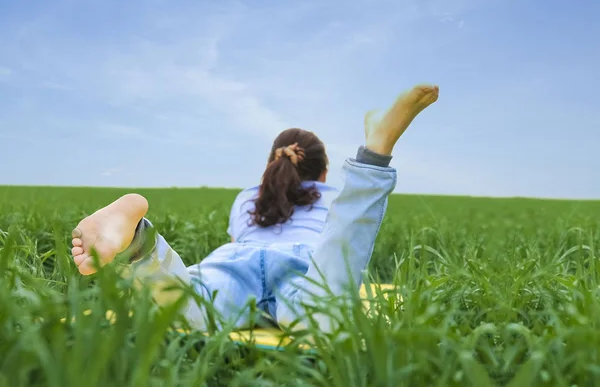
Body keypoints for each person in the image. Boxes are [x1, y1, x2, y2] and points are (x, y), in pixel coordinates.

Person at [71, 84, 439, 331]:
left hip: (235, 260)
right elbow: (341, 242)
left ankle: (140, 241)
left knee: (188, 309)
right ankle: (373, 156)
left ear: (270, 165)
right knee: (323, 318)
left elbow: (237, 239)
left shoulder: (248, 195)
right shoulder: (328, 195)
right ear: (323, 172)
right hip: (304, 263)